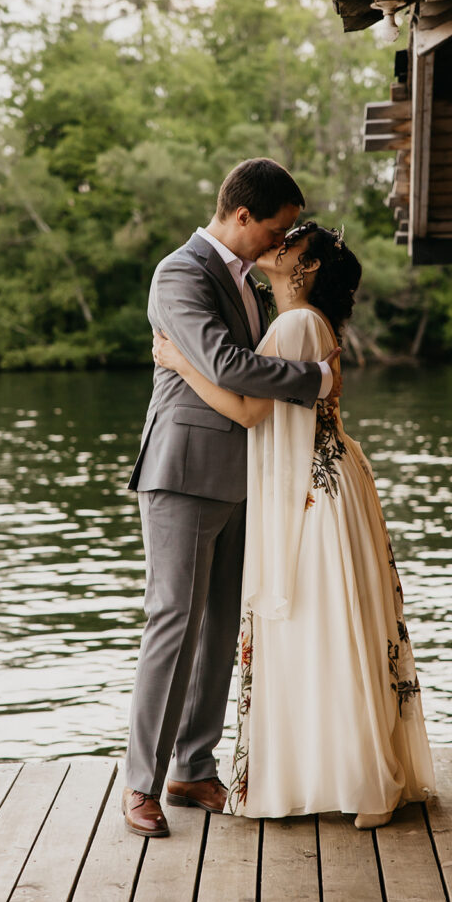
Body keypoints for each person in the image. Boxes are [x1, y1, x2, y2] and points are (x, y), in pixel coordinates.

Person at [154, 221, 436, 827]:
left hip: (314, 493)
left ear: (304, 267)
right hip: (334, 484)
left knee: (319, 627)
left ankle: (339, 774)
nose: (277, 247)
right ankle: (349, 771)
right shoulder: (304, 322)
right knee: (336, 625)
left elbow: (250, 410)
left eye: (290, 243)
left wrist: (182, 362)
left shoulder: (293, 323)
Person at [123, 160, 341, 837]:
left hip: (246, 475)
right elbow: (224, 365)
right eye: (274, 228)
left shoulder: (246, 279)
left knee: (221, 628)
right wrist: (318, 376)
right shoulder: (180, 273)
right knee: (173, 622)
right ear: (241, 216)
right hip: (184, 473)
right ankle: (140, 784)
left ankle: (193, 766)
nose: (281, 243)